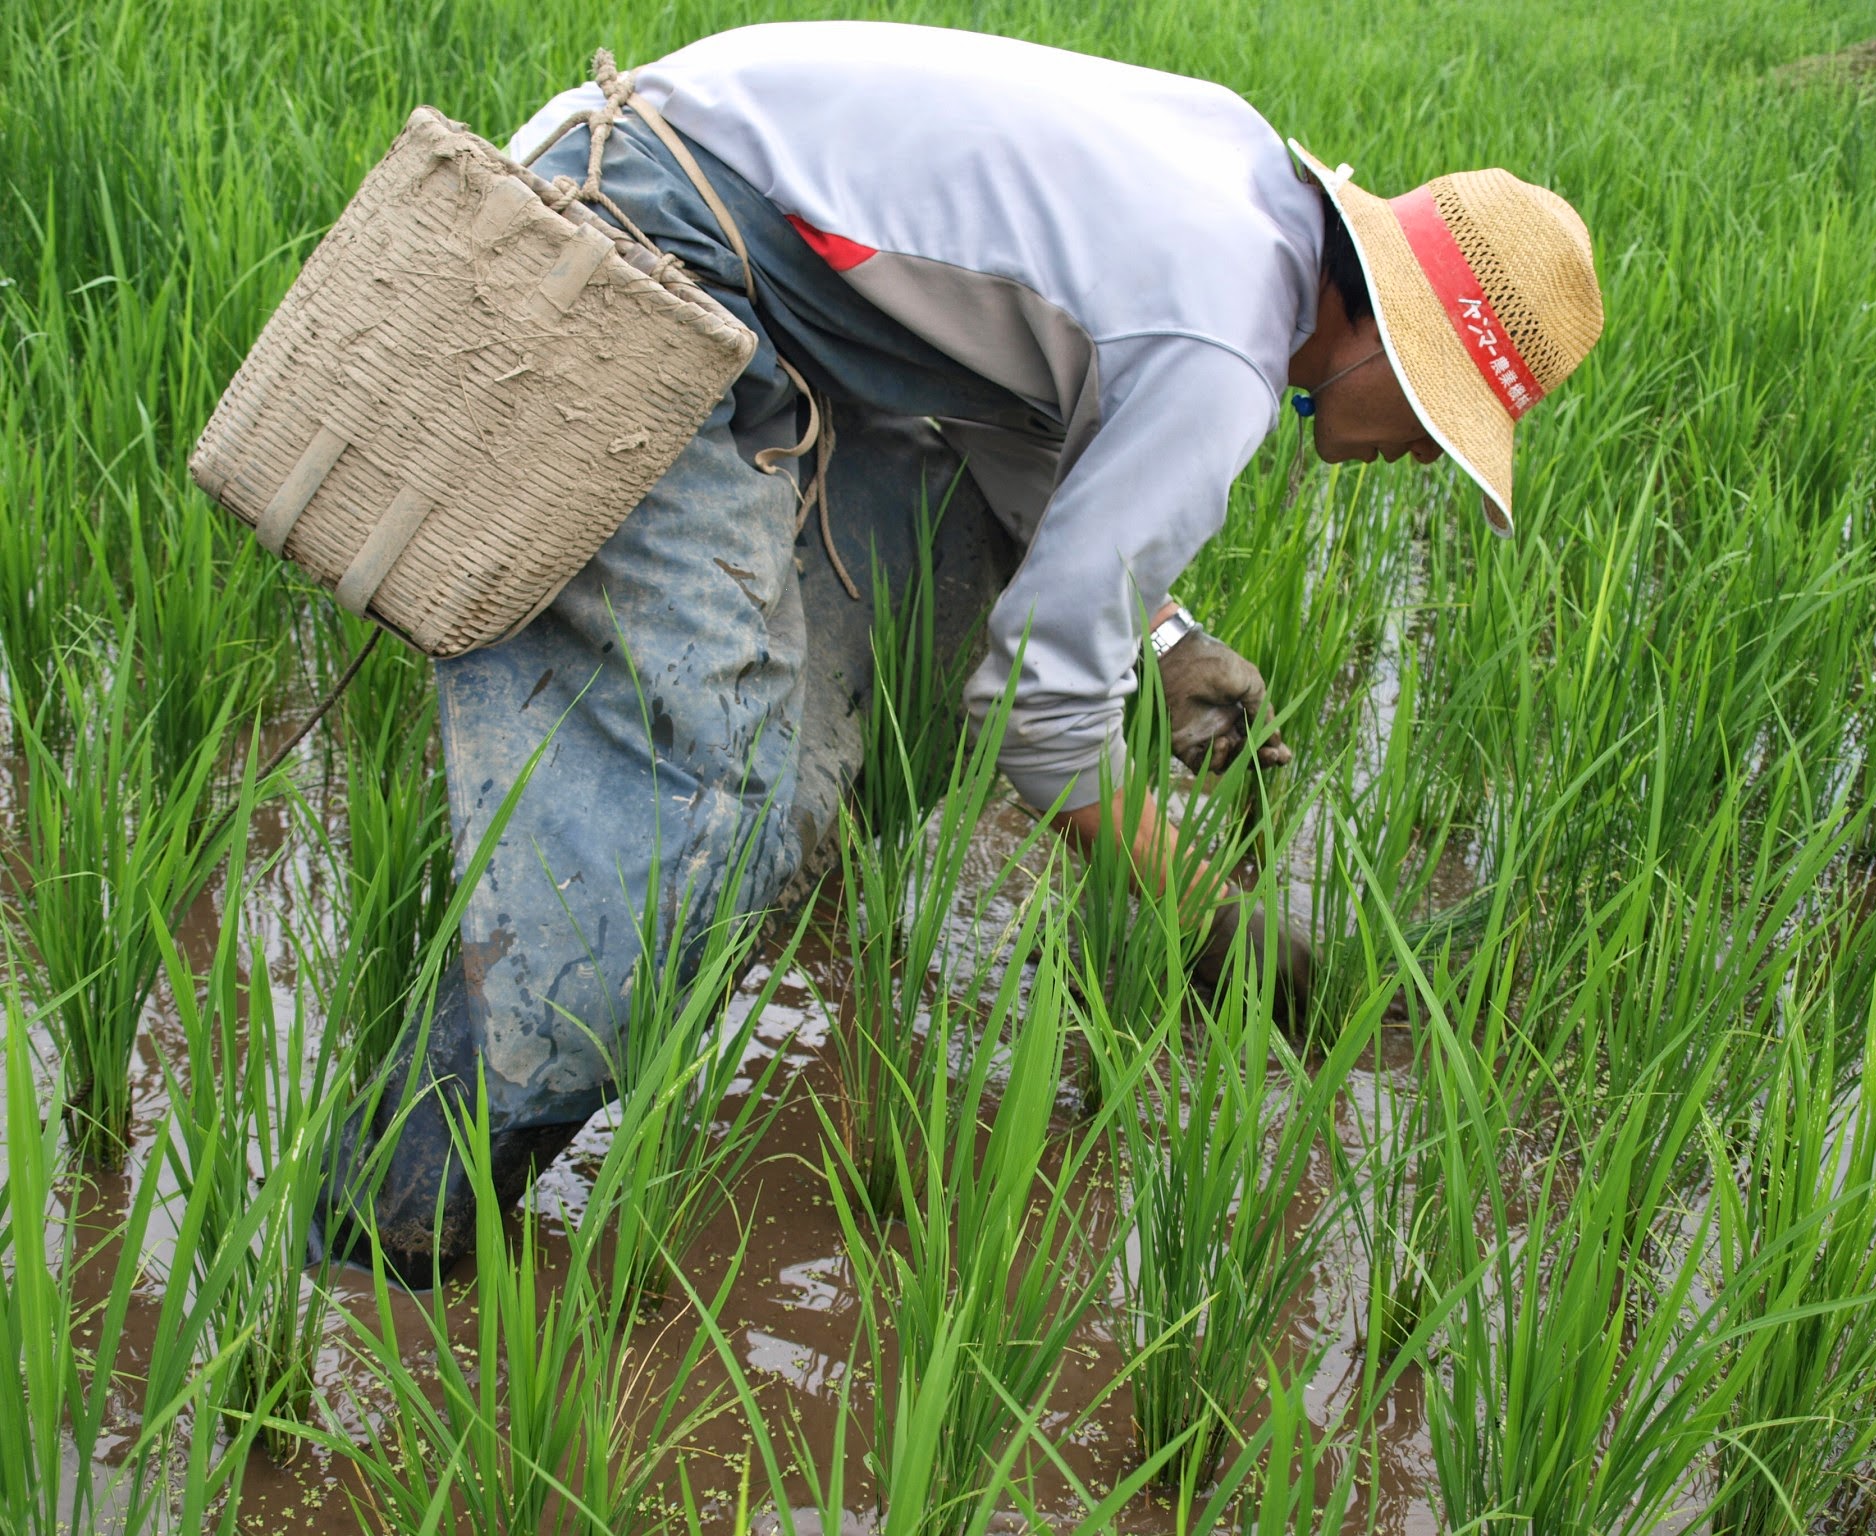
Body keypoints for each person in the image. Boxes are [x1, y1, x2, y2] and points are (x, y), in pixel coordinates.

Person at [317, 20, 1605, 1285]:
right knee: (691, 826)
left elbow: (1018, 419)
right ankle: (387, 1237)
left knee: (915, 623)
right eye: (1441, 417)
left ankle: (766, 898)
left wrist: (1161, 641)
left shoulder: (1248, 185)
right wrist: (1208, 919)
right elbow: (1038, 712)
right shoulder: (1226, 350)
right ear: (1382, 338)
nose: (1424, 453)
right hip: (646, 256)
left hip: (734, 265)